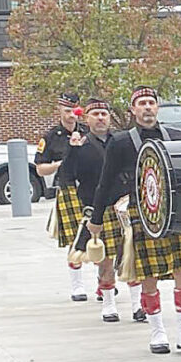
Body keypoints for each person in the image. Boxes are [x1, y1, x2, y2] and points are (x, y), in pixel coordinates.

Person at [88, 86, 181, 354]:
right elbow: (105, 183)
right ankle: (158, 331)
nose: (147, 107)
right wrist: (96, 218)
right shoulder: (120, 142)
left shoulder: (177, 138)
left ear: (157, 107)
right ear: (133, 109)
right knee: (148, 274)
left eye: (151, 102)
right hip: (142, 214)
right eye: (141, 103)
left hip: (173, 214)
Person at [60, 98, 125, 323]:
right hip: (99, 207)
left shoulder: (120, 141)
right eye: (95, 114)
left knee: (131, 257)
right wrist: (72, 150)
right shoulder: (81, 144)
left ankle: (138, 305)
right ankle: (108, 304)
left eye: (104, 114)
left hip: (124, 206)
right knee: (106, 259)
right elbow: (67, 176)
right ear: (86, 119)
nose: (100, 118)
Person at [36, 92, 88, 301]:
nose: (71, 116)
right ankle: (77, 285)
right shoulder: (50, 137)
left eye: (74, 111)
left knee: (102, 235)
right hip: (68, 189)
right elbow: (40, 169)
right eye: (67, 111)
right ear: (59, 110)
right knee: (74, 238)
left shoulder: (87, 131)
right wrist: (59, 165)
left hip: (91, 187)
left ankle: (105, 284)